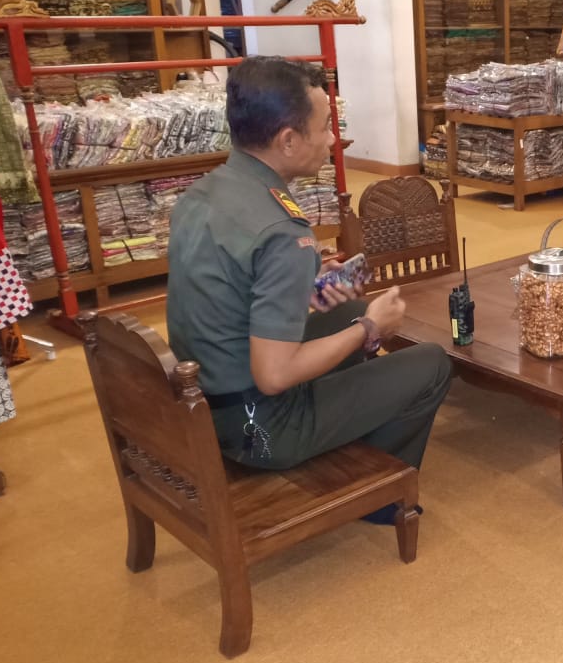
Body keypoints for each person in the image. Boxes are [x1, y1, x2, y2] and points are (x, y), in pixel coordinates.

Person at [166, 56, 452, 522]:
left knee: (343, 310)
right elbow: (274, 376)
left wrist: (305, 283)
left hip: (204, 400)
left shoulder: (204, 194)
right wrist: (369, 329)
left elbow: (228, 290)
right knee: (430, 362)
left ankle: (346, 431)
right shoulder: (283, 232)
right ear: (287, 140)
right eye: (325, 128)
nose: (333, 139)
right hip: (258, 430)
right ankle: (372, 494)